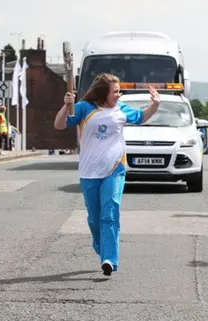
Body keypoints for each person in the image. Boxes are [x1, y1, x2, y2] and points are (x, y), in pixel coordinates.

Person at [53, 73, 160, 276]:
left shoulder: (121, 110)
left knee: (109, 214)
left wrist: (155, 105)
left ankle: (109, 259)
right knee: (94, 219)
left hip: (115, 169)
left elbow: (141, 117)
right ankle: (103, 248)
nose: (119, 95)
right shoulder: (84, 108)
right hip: (89, 172)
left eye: (119, 91)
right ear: (104, 92)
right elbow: (59, 125)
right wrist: (66, 106)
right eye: (116, 91)